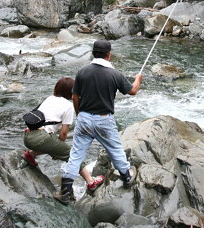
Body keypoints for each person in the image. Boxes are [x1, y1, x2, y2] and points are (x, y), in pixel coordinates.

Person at [53, 40, 143, 205]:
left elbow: (75, 97)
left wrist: (80, 114)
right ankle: (126, 175)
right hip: (104, 119)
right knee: (115, 149)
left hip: (84, 118)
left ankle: (65, 191)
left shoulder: (82, 71)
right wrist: (138, 79)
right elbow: (133, 91)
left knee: (76, 155)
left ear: (93, 53)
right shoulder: (115, 74)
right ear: (109, 54)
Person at [22, 77, 104, 194]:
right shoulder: (69, 106)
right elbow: (64, 134)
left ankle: (31, 155)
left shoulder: (50, 98)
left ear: (57, 88)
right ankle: (90, 182)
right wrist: (58, 147)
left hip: (27, 136)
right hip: (42, 139)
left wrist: (56, 149)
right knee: (73, 155)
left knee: (54, 145)